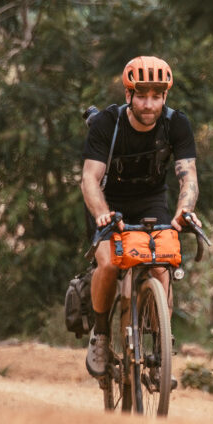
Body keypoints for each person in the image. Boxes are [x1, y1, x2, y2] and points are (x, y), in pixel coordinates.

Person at [80, 56, 201, 378]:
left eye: (157, 96)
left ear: (165, 97)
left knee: (162, 265)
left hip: (151, 202)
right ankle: (101, 336)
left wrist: (184, 211)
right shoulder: (107, 124)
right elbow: (90, 178)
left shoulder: (176, 124)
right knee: (109, 264)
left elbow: (188, 176)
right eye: (142, 95)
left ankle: (161, 349)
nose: (149, 104)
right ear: (128, 95)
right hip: (108, 203)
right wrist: (102, 214)